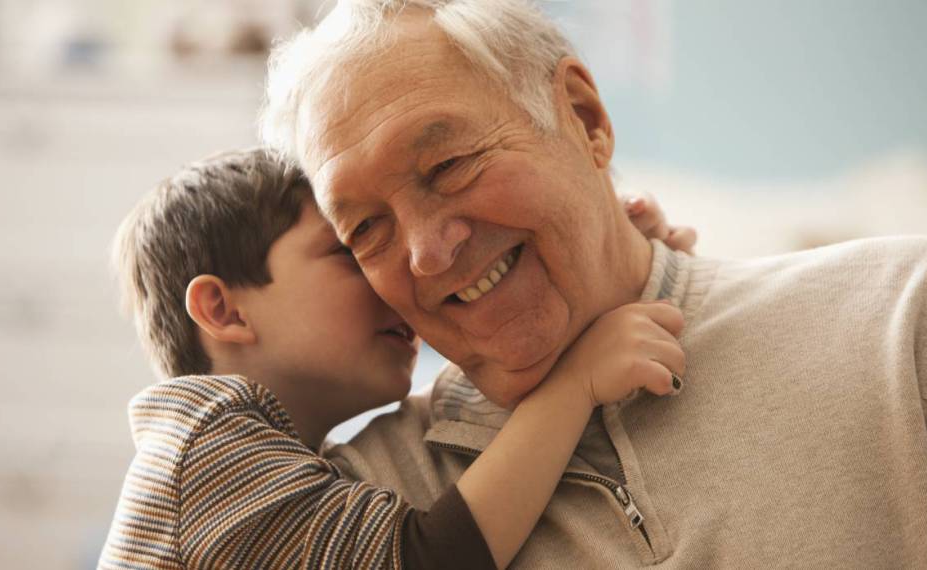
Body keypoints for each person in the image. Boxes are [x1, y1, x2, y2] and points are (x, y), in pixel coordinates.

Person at [259, 1, 927, 567]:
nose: (428, 253)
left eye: (448, 166)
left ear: (585, 120)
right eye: (366, 230)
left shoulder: (911, 321)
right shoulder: (353, 506)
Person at [97, 148, 693, 569]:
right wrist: (576, 382)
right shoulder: (204, 453)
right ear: (223, 311)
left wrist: (605, 270)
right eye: (350, 250)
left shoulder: (262, 453)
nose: (398, 274)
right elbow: (426, 558)